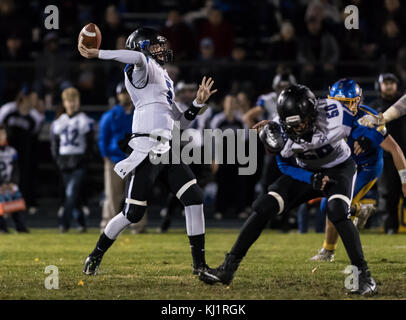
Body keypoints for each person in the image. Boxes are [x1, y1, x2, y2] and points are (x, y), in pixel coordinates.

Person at [199, 84, 376, 295]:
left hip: (339, 168)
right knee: (263, 206)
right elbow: (284, 166)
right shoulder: (277, 129)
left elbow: (367, 117)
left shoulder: (334, 114)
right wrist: (311, 178)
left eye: (302, 121)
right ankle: (228, 268)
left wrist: (366, 137)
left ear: (313, 112)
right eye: (292, 124)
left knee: (337, 211)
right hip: (306, 171)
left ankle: (364, 276)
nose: (299, 128)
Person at [78, 27, 217, 276]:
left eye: (161, 45)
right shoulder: (141, 66)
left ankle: (199, 266)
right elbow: (134, 57)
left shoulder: (164, 77)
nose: (161, 50)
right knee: (132, 213)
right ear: (141, 47)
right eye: (155, 46)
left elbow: (180, 122)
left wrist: (198, 104)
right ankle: (95, 255)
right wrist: (96, 53)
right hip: (147, 148)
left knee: (195, 198)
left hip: (167, 147)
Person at [282, 79, 406, 261]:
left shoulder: (367, 119)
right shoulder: (324, 116)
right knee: (328, 205)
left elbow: (394, 149)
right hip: (343, 166)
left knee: (334, 206)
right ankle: (359, 210)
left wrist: (404, 179)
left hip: (366, 168)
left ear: (356, 102)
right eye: (336, 103)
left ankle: (328, 251)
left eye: (345, 104)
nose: (341, 109)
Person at [50, 87, 95, 233]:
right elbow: (54, 144)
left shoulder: (84, 120)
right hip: (64, 160)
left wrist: (85, 159)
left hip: (78, 160)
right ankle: (81, 223)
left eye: (74, 100)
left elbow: (90, 143)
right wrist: (58, 159)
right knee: (74, 194)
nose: (72, 104)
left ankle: (64, 223)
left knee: (71, 191)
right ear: (64, 103)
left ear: (79, 101)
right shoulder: (59, 122)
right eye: (69, 101)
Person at [0, 84, 44, 213]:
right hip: (5, 151)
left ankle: (23, 204)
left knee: (23, 176)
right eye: (33, 97)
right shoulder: (8, 109)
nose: (35, 101)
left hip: (24, 151)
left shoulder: (35, 116)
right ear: (25, 97)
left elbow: (35, 133)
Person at [98, 82, 136, 232]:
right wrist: (105, 156)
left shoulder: (139, 113)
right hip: (115, 159)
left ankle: (138, 226)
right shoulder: (110, 115)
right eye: (122, 92)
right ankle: (107, 225)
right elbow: (103, 138)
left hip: (135, 159)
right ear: (118, 95)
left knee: (137, 194)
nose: (125, 95)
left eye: (127, 92)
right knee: (112, 196)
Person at [0, 124, 29, 233]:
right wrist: (1, 184)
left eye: (2, 133)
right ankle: (2, 227)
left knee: (18, 200)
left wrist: (13, 182)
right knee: (1, 203)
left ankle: (20, 226)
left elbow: (16, 169)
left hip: (10, 183)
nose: (1, 136)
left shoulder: (12, 151)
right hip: (1, 185)